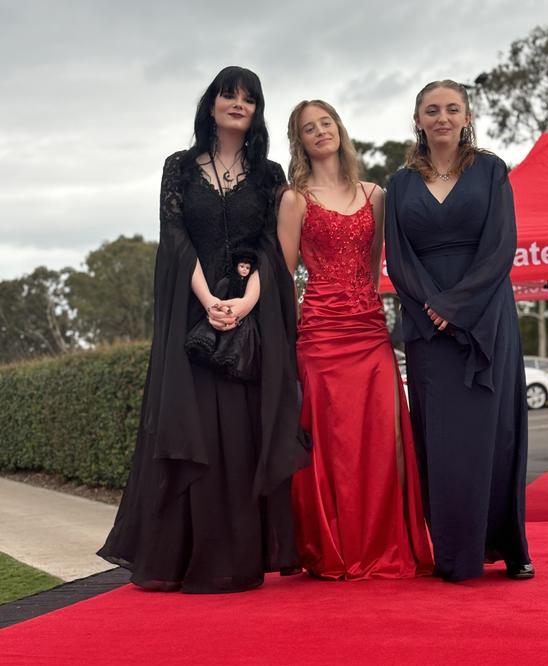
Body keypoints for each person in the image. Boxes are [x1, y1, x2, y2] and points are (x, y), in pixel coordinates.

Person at [98, 66, 308, 593]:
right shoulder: (179, 167)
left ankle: (237, 562)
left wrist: (244, 303)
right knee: (193, 430)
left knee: (240, 434)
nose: (237, 104)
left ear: (257, 111)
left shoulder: (269, 174)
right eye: (228, 95)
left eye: (248, 98)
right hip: (192, 316)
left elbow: (272, 247)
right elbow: (174, 239)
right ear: (211, 104)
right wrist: (211, 300)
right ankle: (178, 559)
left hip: (250, 320)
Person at [385, 79, 534, 582]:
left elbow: (501, 246)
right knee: (442, 442)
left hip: (487, 318)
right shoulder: (400, 183)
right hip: (428, 328)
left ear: (466, 117)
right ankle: (453, 555)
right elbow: (398, 259)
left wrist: (458, 304)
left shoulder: (491, 171)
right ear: (418, 120)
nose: (443, 117)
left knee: (496, 435)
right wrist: (433, 306)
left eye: (452, 109)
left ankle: (509, 546)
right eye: (432, 109)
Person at [277, 99, 432, 580]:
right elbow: (284, 275)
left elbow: (372, 267)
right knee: (332, 441)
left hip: (367, 328)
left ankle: (384, 544)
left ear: (339, 130)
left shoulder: (376, 195)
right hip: (320, 332)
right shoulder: (293, 198)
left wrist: (365, 306)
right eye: (309, 128)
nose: (320, 132)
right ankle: (332, 547)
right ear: (299, 141)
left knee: (381, 436)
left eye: (326, 123)